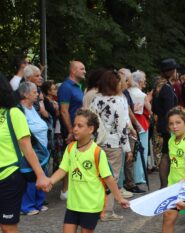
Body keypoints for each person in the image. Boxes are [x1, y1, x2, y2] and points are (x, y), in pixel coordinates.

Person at [48, 109, 129, 233]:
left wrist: (119, 197)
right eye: (75, 125)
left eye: (80, 126)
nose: (75, 129)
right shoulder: (70, 148)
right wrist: (50, 181)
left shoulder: (97, 152)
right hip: (74, 202)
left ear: (91, 129)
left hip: (91, 203)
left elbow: (108, 177)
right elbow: (63, 169)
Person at [0, 73, 51, 233]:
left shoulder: (14, 113)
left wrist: (41, 175)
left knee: (8, 228)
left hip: (10, 175)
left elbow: (27, 148)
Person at [90, 70, 132, 221]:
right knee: (111, 177)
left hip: (97, 142)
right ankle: (107, 212)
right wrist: (127, 149)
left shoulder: (95, 99)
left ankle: (95, 209)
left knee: (97, 177)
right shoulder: (119, 101)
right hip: (113, 143)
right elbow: (122, 128)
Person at [17, 82, 49, 215]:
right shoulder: (19, 110)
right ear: (25, 94)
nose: (38, 94)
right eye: (34, 92)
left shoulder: (33, 108)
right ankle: (27, 206)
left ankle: (38, 203)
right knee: (30, 176)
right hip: (31, 148)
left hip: (41, 149)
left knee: (42, 174)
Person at [58, 61, 86, 200]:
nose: (84, 71)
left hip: (78, 129)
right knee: (69, 158)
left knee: (76, 158)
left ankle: (72, 188)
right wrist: (71, 130)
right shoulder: (66, 87)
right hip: (71, 129)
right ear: (73, 71)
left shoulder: (77, 86)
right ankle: (65, 190)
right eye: (82, 69)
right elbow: (64, 111)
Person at [152, 59, 179, 188]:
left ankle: (164, 185)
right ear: (172, 71)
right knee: (166, 154)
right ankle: (164, 185)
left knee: (165, 153)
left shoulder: (158, 86)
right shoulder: (167, 88)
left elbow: (154, 108)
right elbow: (170, 109)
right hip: (167, 126)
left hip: (162, 124)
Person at [129, 70, 151, 187]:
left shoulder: (127, 92)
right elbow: (150, 109)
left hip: (130, 124)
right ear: (141, 81)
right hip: (141, 124)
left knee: (132, 151)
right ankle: (139, 176)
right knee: (142, 149)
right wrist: (149, 99)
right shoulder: (142, 95)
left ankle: (132, 176)